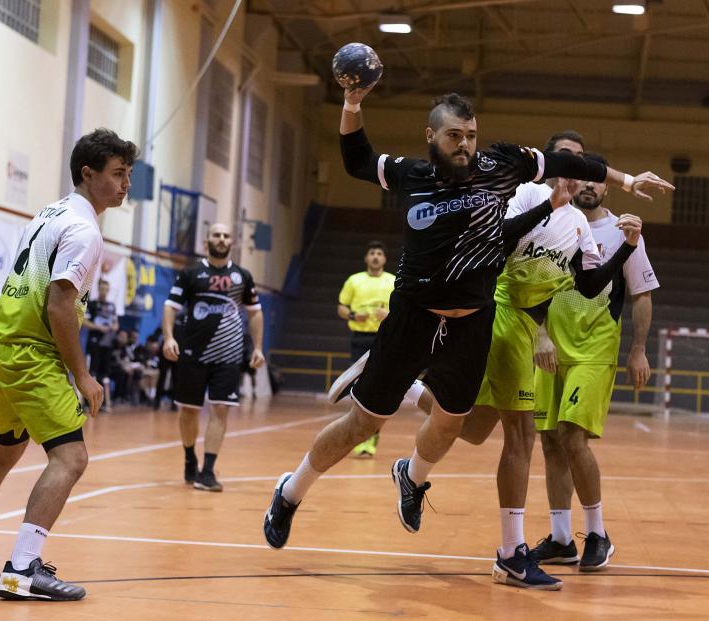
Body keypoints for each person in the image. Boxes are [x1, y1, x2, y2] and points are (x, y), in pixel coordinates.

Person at [263, 82, 672, 557]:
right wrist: (353, 104)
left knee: (454, 425)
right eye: (455, 135)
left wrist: (625, 182)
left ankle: (412, 478)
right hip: (413, 316)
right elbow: (356, 159)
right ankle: (290, 492)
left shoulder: (500, 167)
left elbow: (567, 162)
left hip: (472, 321)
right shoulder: (410, 175)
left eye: (471, 135)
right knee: (363, 425)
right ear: (431, 136)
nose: (465, 144)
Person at [402, 139, 646, 590]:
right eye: (566, 164)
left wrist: (627, 248)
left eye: (580, 168)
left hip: (521, 322)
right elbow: (498, 239)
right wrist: (540, 330)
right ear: (552, 167)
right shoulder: (526, 194)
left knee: (472, 429)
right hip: (496, 309)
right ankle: (511, 555)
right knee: (523, 433)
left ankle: (409, 391)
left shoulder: (579, 226)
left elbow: (591, 286)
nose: (573, 175)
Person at [0, 128, 137, 601]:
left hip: (0, 344)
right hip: (28, 352)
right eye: (118, 174)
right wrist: (82, 374)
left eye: (128, 175)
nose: (126, 184)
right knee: (71, 457)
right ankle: (23, 569)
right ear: (88, 173)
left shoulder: (51, 212)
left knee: (6, 449)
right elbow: (60, 306)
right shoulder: (84, 229)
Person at [531, 152, 659, 573]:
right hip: (551, 351)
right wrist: (542, 333)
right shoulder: (554, 224)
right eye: (579, 177)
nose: (588, 185)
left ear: (605, 185)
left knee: (571, 437)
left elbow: (641, 294)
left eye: (595, 180)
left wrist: (638, 350)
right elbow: (536, 288)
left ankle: (598, 534)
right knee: (550, 442)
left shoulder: (622, 230)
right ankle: (562, 538)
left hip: (594, 351)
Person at [162, 222, 265, 492]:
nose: (221, 239)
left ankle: (207, 471)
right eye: (216, 235)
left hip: (228, 355)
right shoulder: (191, 273)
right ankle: (188, 457)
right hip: (193, 352)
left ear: (233, 241)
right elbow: (171, 306)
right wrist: (170, 337)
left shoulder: (242, 276)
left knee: (220, 409)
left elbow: (255, 312)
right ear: (206, 241)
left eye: (226, 235)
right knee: (189, 411)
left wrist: (257, 348)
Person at [337, 240, 395, 457]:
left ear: (384, 259)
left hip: (384, 339)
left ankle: (370, 440)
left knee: (379, 389)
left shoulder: (393, 281)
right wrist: (353, 315)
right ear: (366, 258)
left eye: (379, 253)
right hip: (359, 339)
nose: (376, 257)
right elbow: (341, 307)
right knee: (358, 389)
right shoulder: (354, 280)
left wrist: (390, 315)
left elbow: (404, 309)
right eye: (372, 253)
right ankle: (359, 435)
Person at [83, 278, 118, 410]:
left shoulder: (111, 306)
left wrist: (114, 327)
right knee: (92, 372)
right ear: (98, 289)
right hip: (94, 343)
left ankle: (104, 404)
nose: (104, 292)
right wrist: (99, 328)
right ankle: (88, 403)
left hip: (107, 344)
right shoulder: (91, 304)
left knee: (105, 374)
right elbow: (84, 322)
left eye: (106, 289)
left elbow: (116, 323)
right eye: (102, 289)